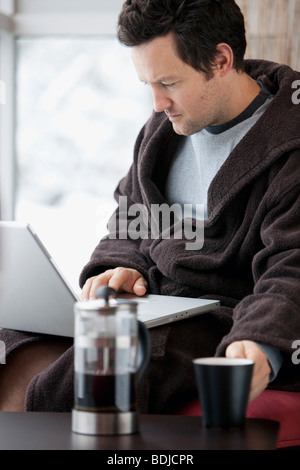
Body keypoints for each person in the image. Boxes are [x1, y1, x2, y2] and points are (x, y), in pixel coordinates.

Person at [0, 0, 300, 413]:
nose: (158, 103)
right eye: (148, 86)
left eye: (169, 83)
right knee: (11, 336)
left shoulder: (289, 143)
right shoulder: (163, 131)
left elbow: (292, 268)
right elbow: (128, 222)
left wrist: (263, 342)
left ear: (221, 59)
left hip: (230, 317)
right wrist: (118, 270)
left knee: (137, 351)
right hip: (156, 304)